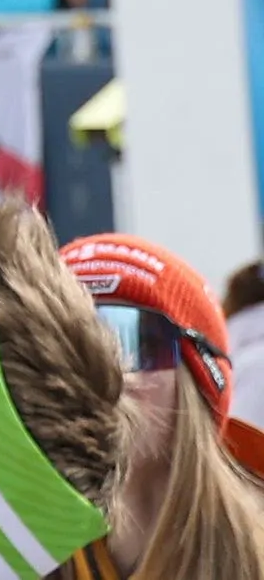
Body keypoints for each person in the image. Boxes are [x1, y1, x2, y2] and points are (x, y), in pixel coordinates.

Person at [59, 232, 264, 580]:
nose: (104, 376)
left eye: (129, 338)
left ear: (199, 373)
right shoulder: (0, 550)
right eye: (63, 348)